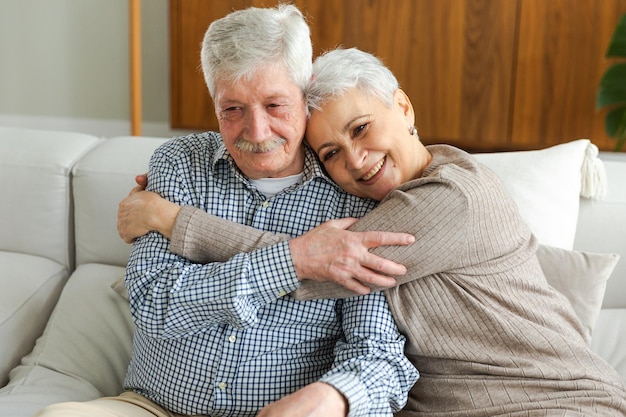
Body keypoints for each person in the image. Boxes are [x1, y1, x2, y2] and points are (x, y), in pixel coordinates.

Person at [118, 48, 626, 416]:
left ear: (403, 107)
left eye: (360, 128)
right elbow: (311, 255)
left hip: (553, 401)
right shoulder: (373, 205)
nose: (355, 160)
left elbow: (320, 263)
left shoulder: (455, 197)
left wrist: (171, 220)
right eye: (331, 153)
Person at [34, 6, 420, 417]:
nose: (256, 133)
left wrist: (333, 398)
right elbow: (153, 305)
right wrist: (293, 261)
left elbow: (378, 356)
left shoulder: (353, 195)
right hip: (151, 407)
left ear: (305, 94)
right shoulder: (179, 164)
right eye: (232, 109)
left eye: (275, 105)